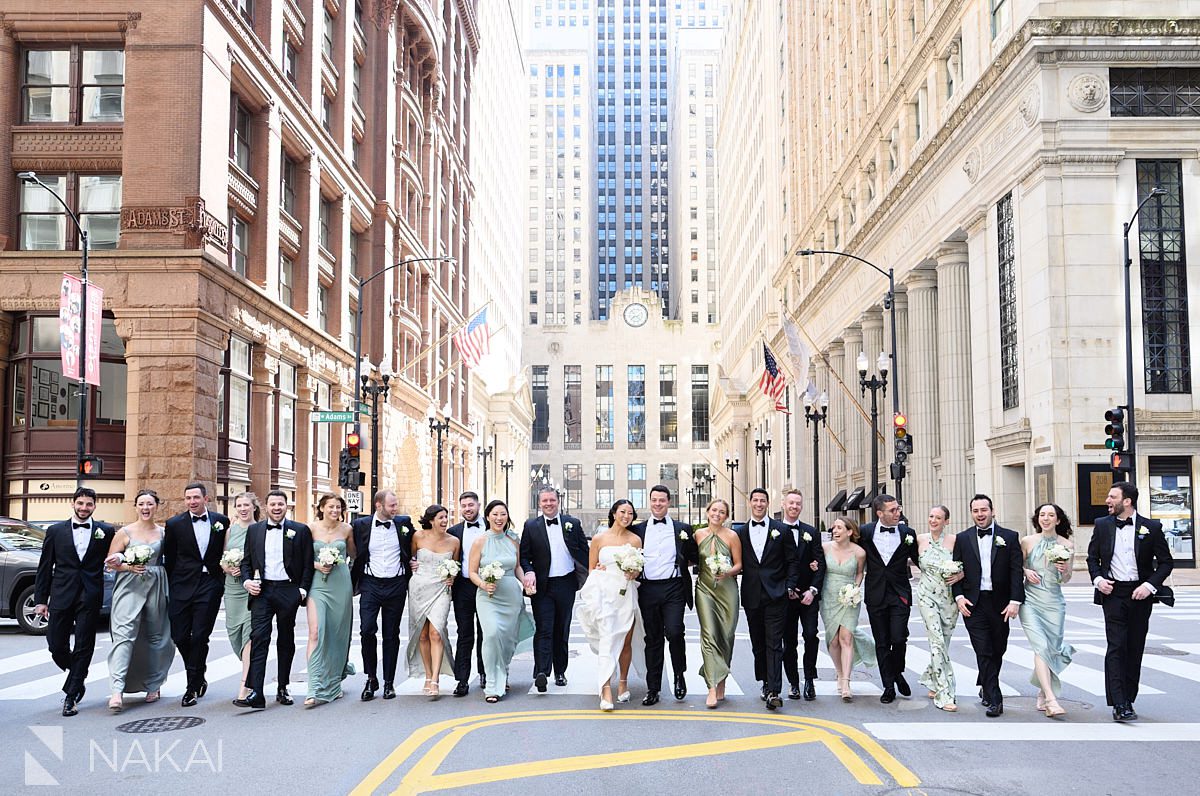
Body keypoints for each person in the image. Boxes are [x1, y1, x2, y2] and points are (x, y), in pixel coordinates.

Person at [1087, 481, 1173, 722]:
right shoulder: (1102, 525)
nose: (1107, 500)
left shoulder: (1151, 527)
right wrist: (1098, 580)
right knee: (1116, 646)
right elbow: (1092, 558)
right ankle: (1119, 703)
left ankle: (1129, 698)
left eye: (1112, 497)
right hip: (1113, 593)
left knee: (1134, 647)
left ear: (1127, 501)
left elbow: (1166, 562)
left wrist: (1149, 586)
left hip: (1140, 594)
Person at [34, 487, 115, 716]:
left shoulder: (105, 531)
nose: (84, 508)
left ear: (95, 506)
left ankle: (71, 695)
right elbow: (44, 567)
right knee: (55, 644)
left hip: (90, 595)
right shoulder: (55, 531)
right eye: (80, 503)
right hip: (62, 594)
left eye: (88, 504)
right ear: (73, 504)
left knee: (84, 644)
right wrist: (41, 600)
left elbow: (114, 556)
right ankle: (78, 673)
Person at [234, 490, 314, 710]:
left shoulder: (300, 530)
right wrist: (246, 581)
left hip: (288, 590)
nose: (277, 508)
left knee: (285, 640)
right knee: (259, 638)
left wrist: (302, 591)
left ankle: (282, 687)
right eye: (273, 504)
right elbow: (246, 562)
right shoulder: (254, 530)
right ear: (266, 507)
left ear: (287, 506)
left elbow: (308, 564)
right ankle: (257, 692)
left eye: (280, 504)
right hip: (262, 590)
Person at [951, 493, 1024, 718]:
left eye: (984, 510)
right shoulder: (963, 538)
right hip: (974, 603)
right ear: (971, 513)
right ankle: (995, 698)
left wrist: (1015, 601)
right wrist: (959, 597)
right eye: (976, 511)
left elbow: (1016, 571)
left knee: (998, 649)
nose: (980, 514)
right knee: (983, 649)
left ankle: (985, 682)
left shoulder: (1009, 537)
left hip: (1000, 603)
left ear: (993, 511)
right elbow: (955, 570)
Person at [102, 489, 173, 712]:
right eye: (141, 504)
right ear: (135, 507)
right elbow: (110, 563)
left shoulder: (164, 533)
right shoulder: (124, 532)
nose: (145, 508)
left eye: (150, 504)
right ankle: (117, 690)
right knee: (124, 636)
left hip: (156, 584)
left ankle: (153, 684)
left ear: (156, 506)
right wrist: (128, 566)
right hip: (129, 586)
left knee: (156, 636)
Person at [162, 482, 230, 708]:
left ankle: (191, 687)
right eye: (188, 498)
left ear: (206, 499)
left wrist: (219, 581)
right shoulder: (174, 524)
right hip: (181, 585)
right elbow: (170, 557)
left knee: (200, 635)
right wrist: (174, 584)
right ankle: (199, 672)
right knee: (180, 636)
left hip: (209, 584)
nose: (192, 501)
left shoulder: (221, 521)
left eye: (196, 497)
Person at [630, 484, 697, 705]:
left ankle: (679, 674)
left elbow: (693, 556)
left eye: (662, 500)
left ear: (669, 502)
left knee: (675, 632)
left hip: (674, 587)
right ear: (649, 502)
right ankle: (653, 688)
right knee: (653, 638)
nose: (658, 504)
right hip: (647, 589)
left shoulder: (682, 529)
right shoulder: (638, 530)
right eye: (654, 500)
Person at [734, 487, 800, 710]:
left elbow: (792, 561)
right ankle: (764, 681)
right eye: (755, 500)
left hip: (776, 595)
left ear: (768, 503)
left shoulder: (782, 530)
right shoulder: (740, 532)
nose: (759, 504)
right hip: (752, 594)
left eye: (763, 500)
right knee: (758, 643)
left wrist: (789, 586)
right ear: (750, 503)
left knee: (774, 643)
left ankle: (774, 690)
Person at [578, 499, 645, 710]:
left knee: (626, 641)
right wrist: (598, 572)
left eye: (630, 513)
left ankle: (623, 682)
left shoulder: (635, 540)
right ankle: (605, 687)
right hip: (604, 595)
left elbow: (638, 569)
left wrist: (633, 572)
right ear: (614, 513)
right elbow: (591, 569)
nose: (626, 516)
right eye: (623, 512)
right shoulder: (599, 539)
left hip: (626, 593)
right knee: (607, 639)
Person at [520, 486, 589, 691]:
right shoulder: (531, 526)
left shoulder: (572, 523)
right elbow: (524, 556)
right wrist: (529, 571)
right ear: (539, 503)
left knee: (561, 629)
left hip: (566, 583)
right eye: (545, 501)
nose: (548, 504)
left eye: (552, 500)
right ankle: (541, 672)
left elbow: (585, 552)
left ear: (558, 501)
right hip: (542, 586)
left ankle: (560, 671)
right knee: (544, 628)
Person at [350, 489, 416, 701]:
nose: (396, 508)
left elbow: (417, 544)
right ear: (378, 506)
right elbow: (351, 549)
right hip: (370, 583)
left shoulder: (404, 523)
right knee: (367, 630)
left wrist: (415, 560)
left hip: (396, 584)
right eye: (392, 505)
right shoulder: (360, 525)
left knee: (391, 634)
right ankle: (371, 678)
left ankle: (388, 682)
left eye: (396, 504)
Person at [468, 499, 535, 703]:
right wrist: (483, 584)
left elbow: (517, 567)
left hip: (511, 595)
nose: (499, 518)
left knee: (507, 639)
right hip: (488, 597)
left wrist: (526, 583)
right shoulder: (480, 541)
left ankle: (503, 671)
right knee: (491, 634)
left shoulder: (513, 540)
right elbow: (472, 571)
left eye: (503, 514)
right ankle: (491, 684)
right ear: (488, 516)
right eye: (495, 514)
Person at [859, 493, 919, 704]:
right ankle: (888, 686)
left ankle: (897, 671)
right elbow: (850, 551)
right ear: (879, 513)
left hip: (900, 594)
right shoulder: (865, 532)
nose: (897, 513)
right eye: (892, 510)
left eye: (898, 508)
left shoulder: (908, 533)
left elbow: (920, 560)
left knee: (899, 638)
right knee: (882, 642)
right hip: (875, 594)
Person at [1020, 503, 1076, 718]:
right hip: (1031, 601)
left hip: (1054, 603)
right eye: (1042, 515)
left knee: (1051, 649)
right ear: (1038, 519)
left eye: (1050, 515)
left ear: (1058, 520)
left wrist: (1064, 569)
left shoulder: (1066, 545)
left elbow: (1066, 579)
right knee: (1041, 647)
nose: (1046, 518)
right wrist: (1025, 571)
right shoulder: (1027, 541)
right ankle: (1052, 700)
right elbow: (1015, 567)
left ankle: (1043, 691)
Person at [305, 492, 357, 707]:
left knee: (337, 634)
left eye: (338, 507)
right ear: (321, 508)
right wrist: (317, 565)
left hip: (340, 583)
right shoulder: (310, 528)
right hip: (317, 583)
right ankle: (313, 687)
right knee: (315, 632)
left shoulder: (347, 529)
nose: (335, 511)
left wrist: (340, 563)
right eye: (331, 507)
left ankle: (334, 682)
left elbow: (354, 555)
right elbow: (302, 557)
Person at [406, 504, 460, 698]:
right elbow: (411, 557)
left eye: (446, 517)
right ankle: (428, 675)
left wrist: (452, 577)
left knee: (436, 632)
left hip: (441, 589)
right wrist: (412, 563)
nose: (445, 521)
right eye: (441, 518)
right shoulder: (418, 537)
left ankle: (436, 678)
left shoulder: (454, 541)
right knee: (422, 635)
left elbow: (455, 565)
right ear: (431, 520)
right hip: (419, 588)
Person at [820, 517, 877, 702]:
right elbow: (818, 568)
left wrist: (855, 589)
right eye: (834, 528)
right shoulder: (825, 548)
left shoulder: (859, 552)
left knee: (846, 637)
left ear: (849, 532)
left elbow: (860, 573)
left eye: (839, 528)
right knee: (833, 639)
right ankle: (839, 672)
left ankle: (846, 681)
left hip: (849, 597)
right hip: (828, 596)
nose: (835, 531)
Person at [693, 499, 742, 709]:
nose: (717, 514)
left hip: (727, 590)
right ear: (707, 512)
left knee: (726, 636)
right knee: (709, 635)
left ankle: (722, 681)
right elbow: (690, 558)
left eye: (722, 512)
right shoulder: (697, 535)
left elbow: (739, 564)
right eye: (714, 510)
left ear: (726, 516)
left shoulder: (732, 536)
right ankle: (711, 687)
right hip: (704, 589)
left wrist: (727, 572)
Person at [778, 489, 825, 701]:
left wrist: (812, 590)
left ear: (802, 506)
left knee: (811, 635)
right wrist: (786, 589)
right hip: (785, 596)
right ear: (783, 504)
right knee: (789, 641)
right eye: (791, 503)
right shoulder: (775, 530)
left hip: (808, 595)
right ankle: (793, 683)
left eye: (798, 503)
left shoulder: (811, 532)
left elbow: (819, 563)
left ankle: (809, 679)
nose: (794, 506)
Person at [915, 505, 962, 712]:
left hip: (949, 598)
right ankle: (945, 692)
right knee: (937, 642)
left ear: (946, 521)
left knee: (944, 641)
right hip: (926, 595)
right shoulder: (919, 540)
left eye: (938, 518)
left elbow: (968, 564)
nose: (933, 520)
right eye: (931, 516)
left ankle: (931, 678)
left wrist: (960, 575)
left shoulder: (955, 541)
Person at [220, 492, 258, 702]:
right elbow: (223, 557)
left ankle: (245, 685)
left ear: (254, 507)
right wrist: (227, 567)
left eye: (246, 505)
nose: (243, 509)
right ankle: (249, 671)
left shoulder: (259, 529)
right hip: (232, 588)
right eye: (239, 505)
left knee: (249, 636)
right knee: (234, 633)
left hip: (252, 589)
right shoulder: (230, 530)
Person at [449, 491, 487, 697]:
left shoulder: (491, 526)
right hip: (463, 587)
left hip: (486, 585)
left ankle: (485, 673)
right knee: (464, 633)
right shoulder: (454, 531)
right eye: (463, 506)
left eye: (470, 505)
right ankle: (462, 680)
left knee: (486, 632)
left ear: (479, 505)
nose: (467, 509)